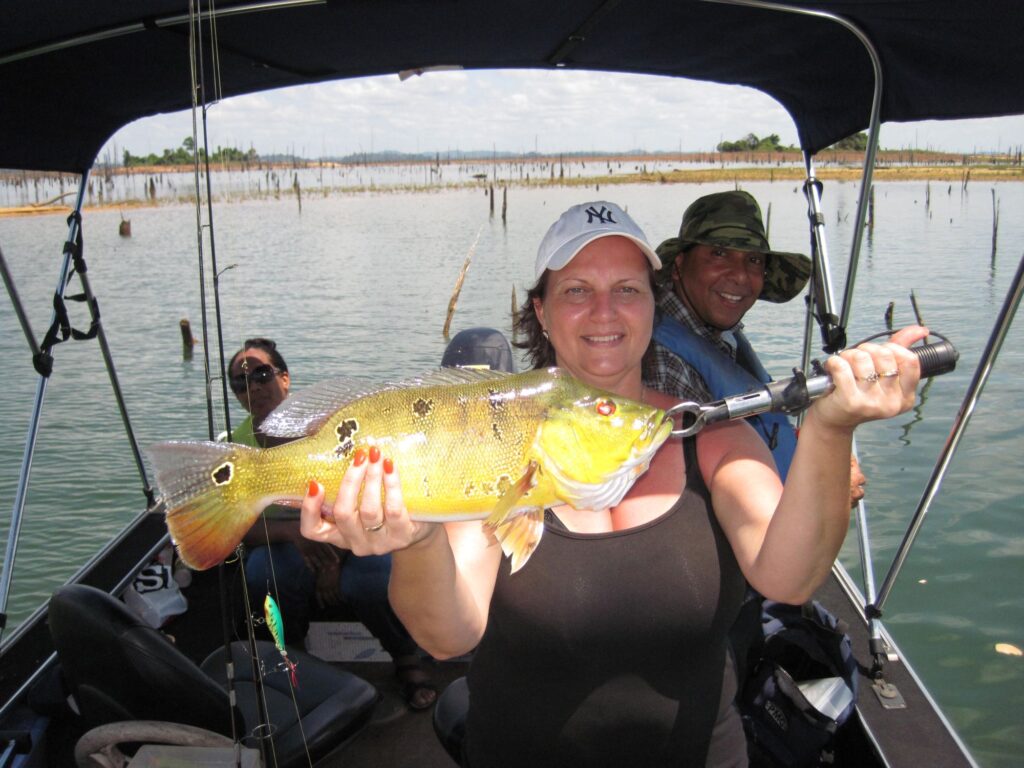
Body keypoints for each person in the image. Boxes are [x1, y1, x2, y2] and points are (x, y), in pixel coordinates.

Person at [298, 201, 925, 766]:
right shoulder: (493, 437)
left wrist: (830, 427)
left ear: (654, 306)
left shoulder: (708, 437)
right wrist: (416, 541)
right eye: (576, 290)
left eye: (628, 288)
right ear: (540, 311)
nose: (604, 311)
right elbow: (448, 633)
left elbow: (788, 575)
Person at [228, 337, 437, 711]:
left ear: (286, 378)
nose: (253, 387)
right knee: (263, 573)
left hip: (355, 533)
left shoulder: (327, 427)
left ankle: (406, 657)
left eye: (261, 374)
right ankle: (290, 658)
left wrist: (332, 562)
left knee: (370, 580)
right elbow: (236, 525)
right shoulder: (238, 448)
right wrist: (294, 533)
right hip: (291, 544)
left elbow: (363, 497)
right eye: (240, 382)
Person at [643, 190, 870, 497]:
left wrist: (810, 448)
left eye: (752, 260)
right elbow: (692, 495)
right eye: (719, 254)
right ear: (680, 265)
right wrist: (824, 481)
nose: (739, 275)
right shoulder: (664, 359)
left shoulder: (713, 330)